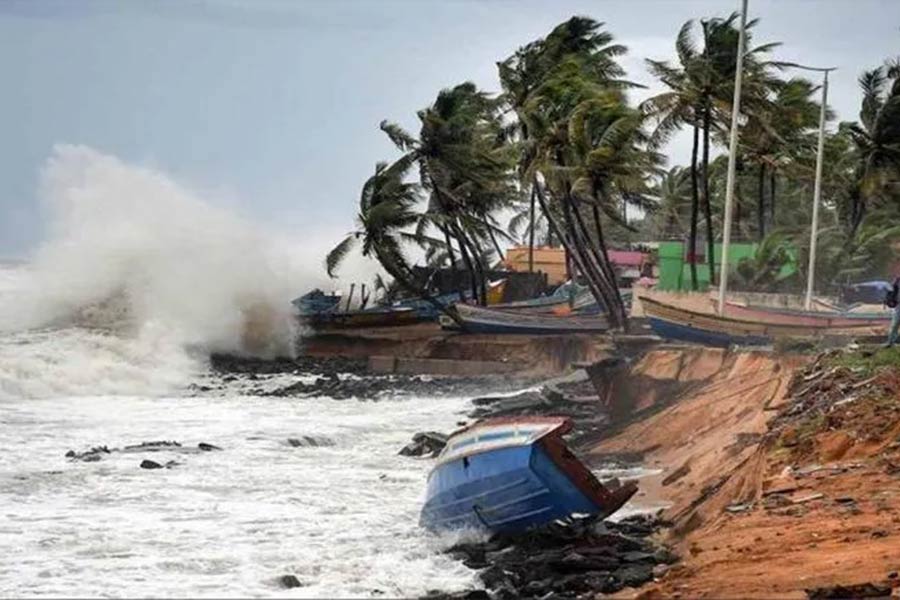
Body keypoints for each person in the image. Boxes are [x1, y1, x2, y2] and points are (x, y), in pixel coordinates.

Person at [886, 277, 900, 347]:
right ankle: (890, 342)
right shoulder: (897, 281)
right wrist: (890, 300)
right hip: (898, 306)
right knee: (895, 324)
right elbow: (891, 292)